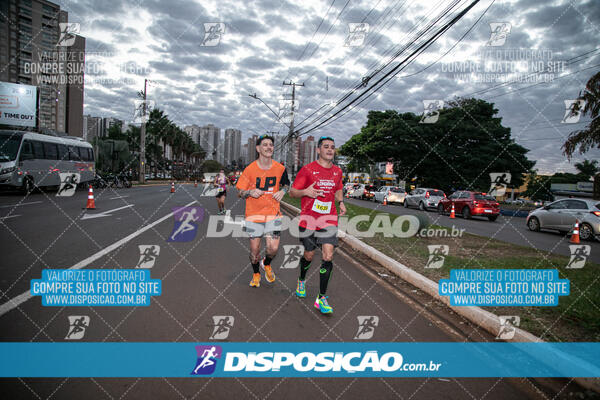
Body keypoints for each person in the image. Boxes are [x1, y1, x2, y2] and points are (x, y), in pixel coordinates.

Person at [289, 136, 345, 314]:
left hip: (328, 219)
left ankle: (321, 298)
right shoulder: (307, 170)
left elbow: (338, 188)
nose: (330, 149)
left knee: (328, 256)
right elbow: (292, 192)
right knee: (309, 255)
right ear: (318, 150)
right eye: (326, 147)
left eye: (332, 147)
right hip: (309, 219)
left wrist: (341, 202)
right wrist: (306, 191)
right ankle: (301, 279)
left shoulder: (338, 171)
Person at [236, 134, 290, 288]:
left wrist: (283, 192)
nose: (269, 147)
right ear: (258, 148)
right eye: (265, 145)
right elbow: (239, 191)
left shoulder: (280, 168)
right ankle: (256, 273)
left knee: (273, 249)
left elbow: (287, 185)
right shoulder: (250, 169)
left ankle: (266, 263)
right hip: (254, 216)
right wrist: (249, 192)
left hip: (273, 215)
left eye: (271, 145)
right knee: (254, 250)